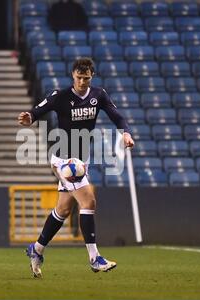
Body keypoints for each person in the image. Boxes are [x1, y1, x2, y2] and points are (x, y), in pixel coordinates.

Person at [18, 57, 134, 278]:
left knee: (62, 209)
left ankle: (37, 248)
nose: (82, 81)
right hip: (64, 160)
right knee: (88, 200)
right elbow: (39, 109)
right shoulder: (60, 96)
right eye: (79, 77)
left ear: (92, 77)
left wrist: (126, 133)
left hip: (81, 161)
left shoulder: (98, 95)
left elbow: (116, 115)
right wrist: (29, 117)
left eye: (86, 78)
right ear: (73, 75)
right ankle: (94, 258)